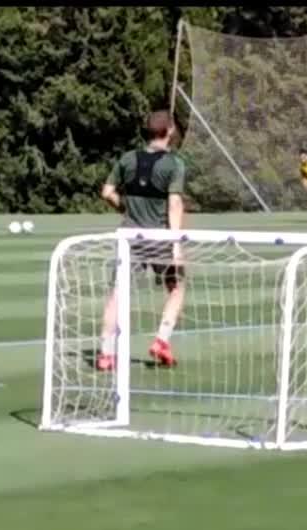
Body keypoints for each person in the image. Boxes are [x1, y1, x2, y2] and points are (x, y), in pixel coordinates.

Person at [96, 110, 187, 370]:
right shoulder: (174, 164)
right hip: (159, 238)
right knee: (176, 287)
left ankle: (105, 354)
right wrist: (177, 245)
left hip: (129, 237)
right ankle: (162, 340)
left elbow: (107, 192)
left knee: (117, 294)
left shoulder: (127, 159)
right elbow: (175, 204)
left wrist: (125, 207)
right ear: (169, 130)